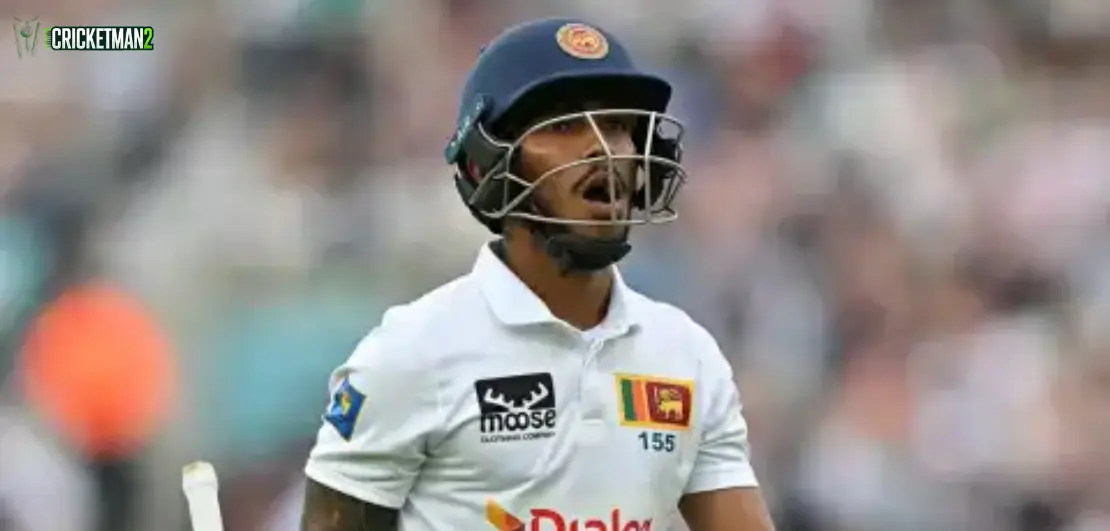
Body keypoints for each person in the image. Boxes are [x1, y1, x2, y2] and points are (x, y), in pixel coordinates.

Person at [300, 17, 776, 531]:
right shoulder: (412, 352)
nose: (601, 149)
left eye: (617, 126)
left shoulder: (687, 355)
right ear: (486, 164)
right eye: (564, 127)